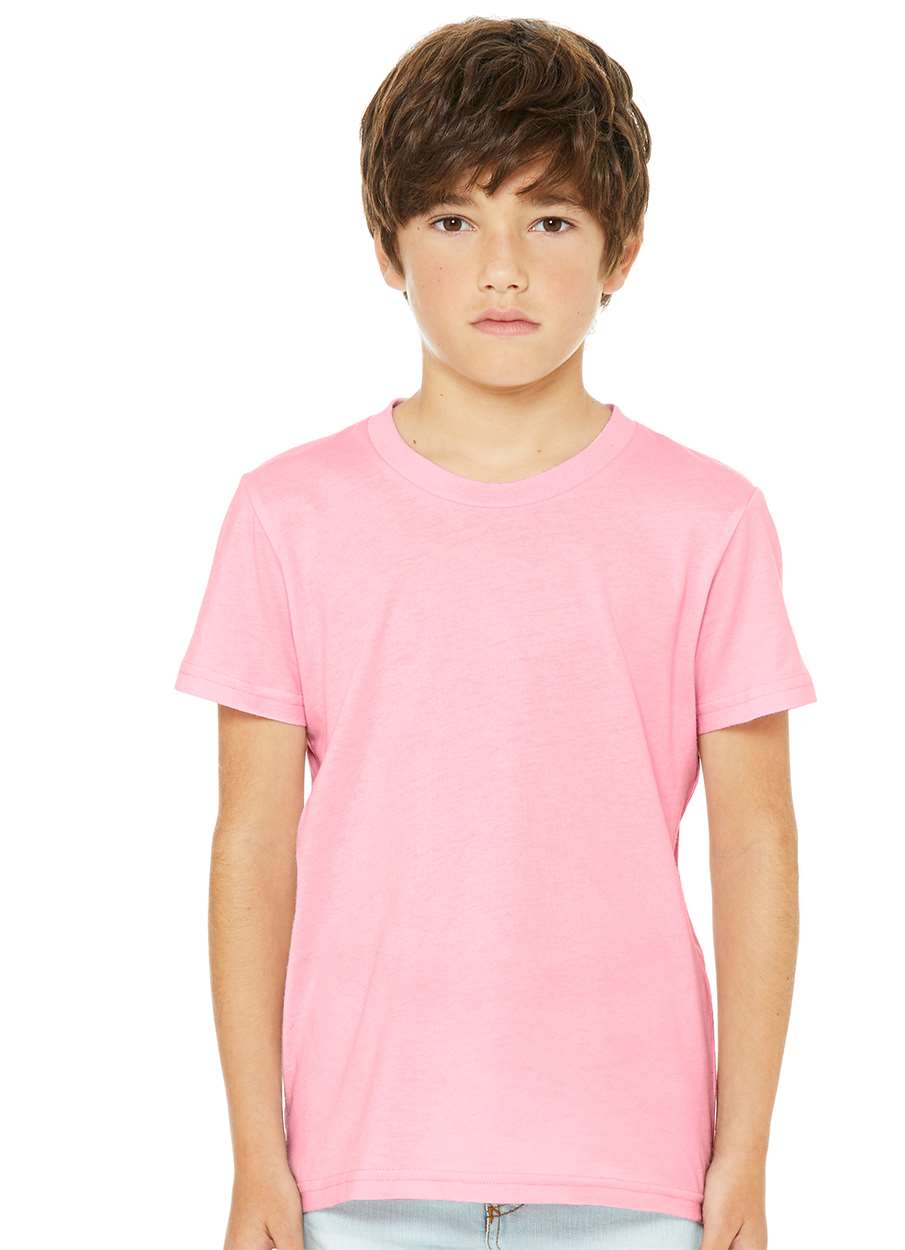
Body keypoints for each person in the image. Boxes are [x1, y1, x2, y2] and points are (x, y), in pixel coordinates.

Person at [174, 17, 817, 1250]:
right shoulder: (287, 513)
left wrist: (743, 1153)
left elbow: (755, 841)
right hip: (360, 1160)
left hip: (633, 1166)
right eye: (453, 220)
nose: (503, 269)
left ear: (623, 245)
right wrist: (257, 1151)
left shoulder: (709, 518)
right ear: (386, 246)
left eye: (551, 221)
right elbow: (252, 840)